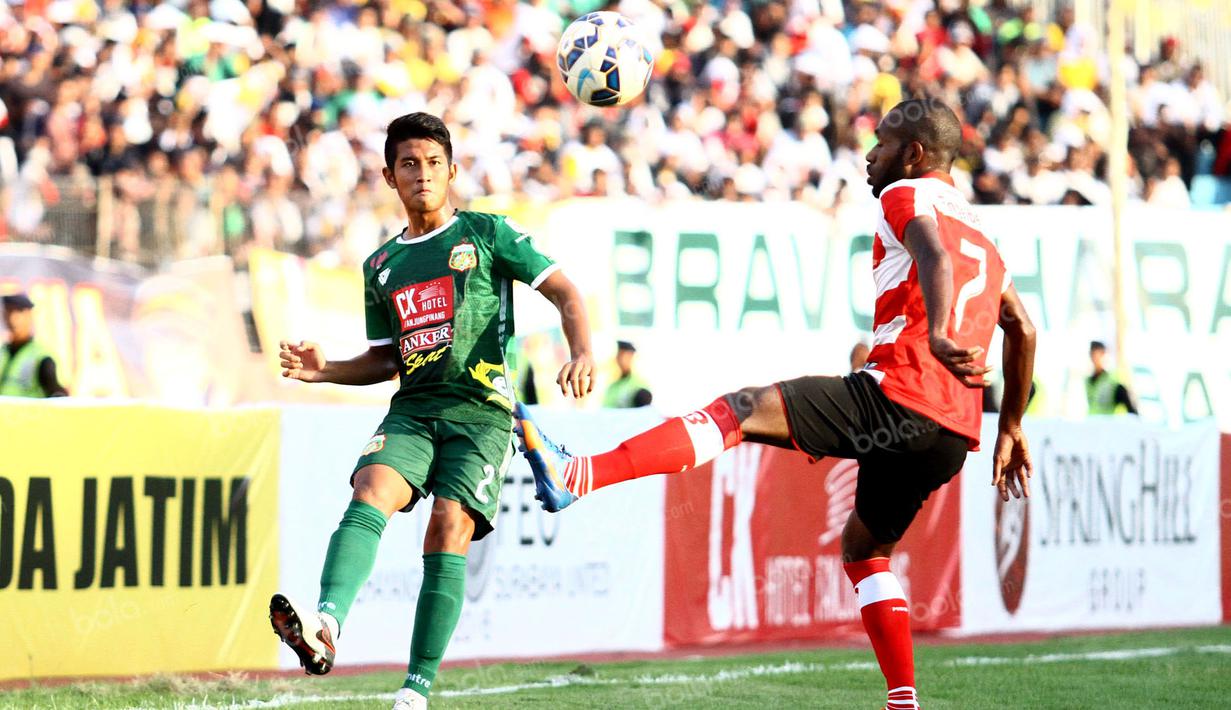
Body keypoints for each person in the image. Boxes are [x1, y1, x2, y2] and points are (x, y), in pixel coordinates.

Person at [515, 99, 1037, 710]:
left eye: (882, 144)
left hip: (901, 396)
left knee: (739, 410)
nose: (870, 156)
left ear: (915, 155)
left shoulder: (907, 197)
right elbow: (1022, 328)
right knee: (864, 550)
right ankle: (903, 701)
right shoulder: (985, 236)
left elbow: (933, 256)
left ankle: (580, 474)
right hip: (952, 436)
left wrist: (942, 331)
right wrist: (1013, 425)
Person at [267, 113, 594, 710]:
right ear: (390, 176)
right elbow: (388, 359)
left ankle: (415, 691)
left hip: (483, 415)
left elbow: (566, 292)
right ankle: (326, 626)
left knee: (448, 527)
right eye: (409, 164)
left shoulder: (488, 233)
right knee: (370, 490)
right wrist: (328, 369)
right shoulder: (381, 266)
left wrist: (584, 352)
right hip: (414, 408)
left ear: (452, 171)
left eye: (434, 163)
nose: (423, 174)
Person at [1, 293, 69, 398]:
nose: (12, 318)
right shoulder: (2, 353)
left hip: (28, 414)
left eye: (19, 312)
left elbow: (57, 396)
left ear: (29, 315)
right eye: (9, 311)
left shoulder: (41, 357)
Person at [1086, 340, 1136, 415]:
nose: (1094, 358)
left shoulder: (1113, 380)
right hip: (1092, 422)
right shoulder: (1087, 381)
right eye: (1092, 354)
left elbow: (1129, 407)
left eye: (1097, 354)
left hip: (1109, 424)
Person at [602, 340, 653, 408]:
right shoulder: (613, 386)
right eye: (618, 356)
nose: (618, 359)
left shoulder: (640, 384)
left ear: (631, 356)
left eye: (622, 355)